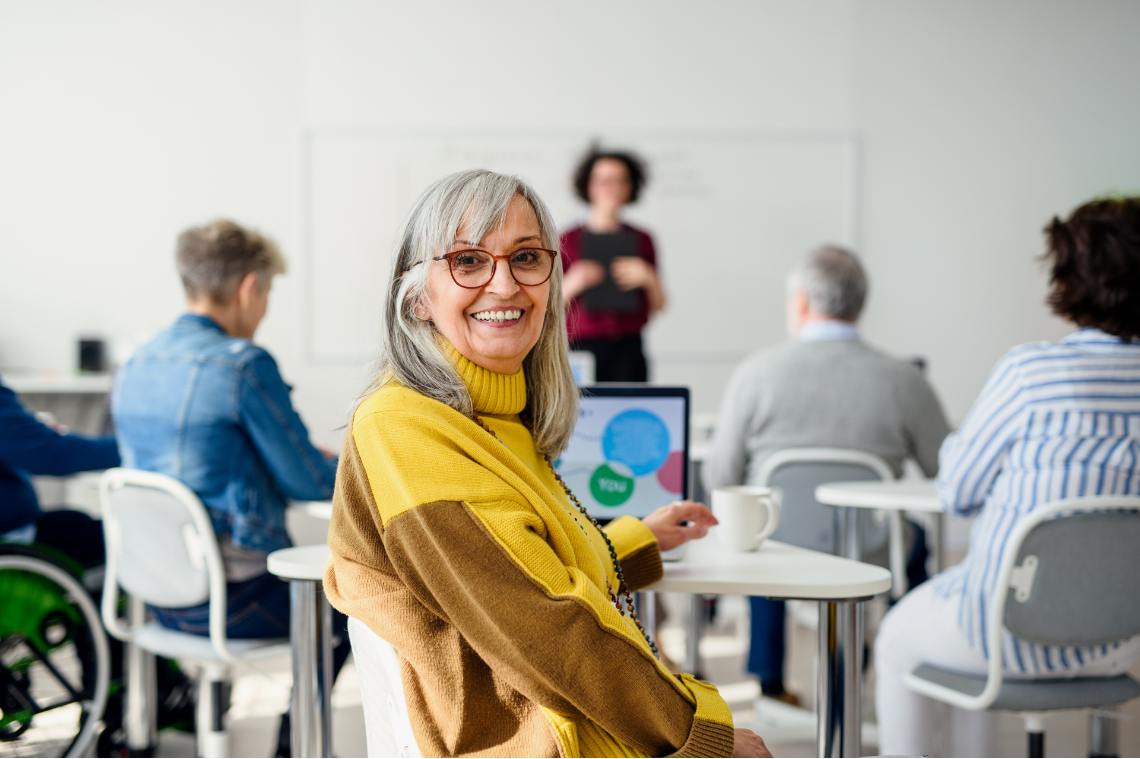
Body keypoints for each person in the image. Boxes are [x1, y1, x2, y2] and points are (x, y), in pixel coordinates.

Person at [324, 170, 769, 758]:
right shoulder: (404, 425)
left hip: (566, 719)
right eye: (468, 260)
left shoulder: (499, 418)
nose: (504, 285)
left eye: (526, 257)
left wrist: (635, 542)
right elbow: (548, 623)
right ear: (417, 296)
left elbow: (528, 569)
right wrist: (700, 734)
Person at [874, 196, 1140, 757]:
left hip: (1004, 637)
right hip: (1121, 641)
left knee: (899, 633)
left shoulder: (1031, 373)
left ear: (1070, 277)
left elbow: (957, 494)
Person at [112, 219, 344, 757]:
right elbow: (307, 480)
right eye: (267, 295)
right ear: (249, 287)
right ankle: (295, 749)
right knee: (353, 602)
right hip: (233, 603)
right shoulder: (243, 366)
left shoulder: (136, 362)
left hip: (155, 597)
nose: (263, 311)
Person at [705, 245, 951, 705]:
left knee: (760, 536)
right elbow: (947, 470)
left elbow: (722, 475)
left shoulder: (756, 374)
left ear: (799, 302)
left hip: (778, 545)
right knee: (915, 542)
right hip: (873, 546)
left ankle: (770, 683)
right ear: (861, 303)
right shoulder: (903, 380)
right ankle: (909, 664)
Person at [560, 148, 666, 382]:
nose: (612, 188)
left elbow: (660, 305)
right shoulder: (567, 239)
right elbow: (549, 307)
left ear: (630, 187)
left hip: (629, 349)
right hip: (580, 349)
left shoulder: (643, 239)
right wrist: (573, 283)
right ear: (589, 185)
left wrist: (648, 277)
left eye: (620, 181)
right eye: (604, 181)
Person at [0, 377, 118, 569]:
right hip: (12, 540)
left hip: (16, 528)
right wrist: (133, 450)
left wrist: (29, 429)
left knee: (75, 520)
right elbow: (51, 454)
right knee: (122, 535)